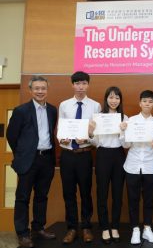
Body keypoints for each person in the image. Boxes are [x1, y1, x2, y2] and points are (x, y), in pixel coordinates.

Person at [6, 76, 57, 248]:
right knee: (22, 197)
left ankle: (38, 228)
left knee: (42, 196)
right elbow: (11, 135)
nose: (40, 91)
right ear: (31, 90)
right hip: (29, 160)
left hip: (47, 159)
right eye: (37, 88)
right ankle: (22, 233)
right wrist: (22, 154)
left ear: (47, 90)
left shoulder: (52, 110)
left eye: (43, 88)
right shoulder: (21, 110)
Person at [58, 71, 101, 244]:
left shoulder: (95, 106)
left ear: (88, 85)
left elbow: (97, 136)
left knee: (85, 193)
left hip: (84, 155)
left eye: (84, 83)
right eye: (77, 83)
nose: (80, 87)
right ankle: (71, 228)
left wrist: (89, 138)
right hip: (67, 155)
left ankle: (86, 227)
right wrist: (62, 138)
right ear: (72, 85)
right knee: (68, 193)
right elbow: (61, 129)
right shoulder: (64, 105)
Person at [121, 90, 153, 245]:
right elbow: (125, 145)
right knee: (133, 199)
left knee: (149, 200)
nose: (147, 104)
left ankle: (147, 229)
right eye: (144, 101)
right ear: (140, 103)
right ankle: (135, 230)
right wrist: (124, 131)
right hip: (132, 165)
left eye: (150, 102)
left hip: (150, 166)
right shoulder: (131, 121)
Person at [88, 86, 126, 244]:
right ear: (106, 99)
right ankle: (104, 227)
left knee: (118, 193)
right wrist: (90, 132)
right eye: (111, 97)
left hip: (119, 155)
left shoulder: (125, 118)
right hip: (102, 154)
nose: (114, 100)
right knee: (102, 192)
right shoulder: (98, 117)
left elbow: (126, 144)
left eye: (117, 97)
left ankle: (115, 226)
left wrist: (123, 131)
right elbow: (95, 142)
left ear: (120, 100)